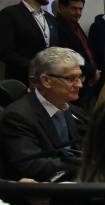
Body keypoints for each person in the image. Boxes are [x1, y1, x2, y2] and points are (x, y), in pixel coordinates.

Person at [0, 47, 88, 181]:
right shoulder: (18, 117)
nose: (79, 85)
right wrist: (86, 164)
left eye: (80, 77)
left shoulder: (71, 109)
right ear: (46, 81)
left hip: (75, 179)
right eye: (71, 78)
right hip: (44, 190)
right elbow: (31, 165)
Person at [0, 0, 59, 85]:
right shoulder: (10, 14)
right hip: (23, 81)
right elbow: (4, 51)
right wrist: (33, 66)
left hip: (50, 81)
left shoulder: (49, 18)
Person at [55, 0, 99, 110]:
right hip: (74, 81)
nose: (78, 13)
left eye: (81, 9)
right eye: (74, 9)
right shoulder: (58, 27)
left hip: (87, 81)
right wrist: (92, 72)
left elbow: (86, 51)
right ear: (62, 8)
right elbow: (70, 55)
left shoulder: (75, 26)